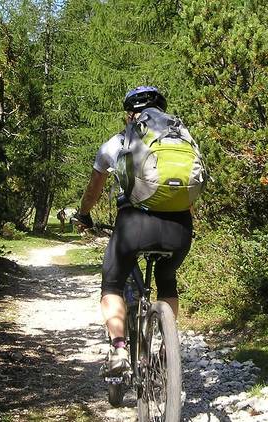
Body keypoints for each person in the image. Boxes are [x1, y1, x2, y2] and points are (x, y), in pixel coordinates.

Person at [75, 86, 194, 376]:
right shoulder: (183, 139)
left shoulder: (117, 143)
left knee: (112, 285)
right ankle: (167, 348)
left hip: (134, 226)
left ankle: (118, 350)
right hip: (179, 228)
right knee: (167, 279)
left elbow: (94, 189)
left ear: (130, 114)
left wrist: (84, 215)